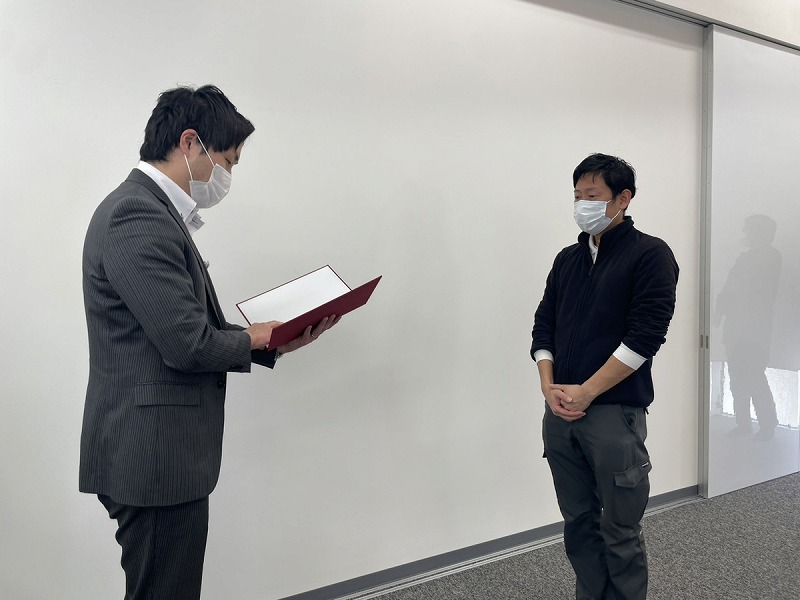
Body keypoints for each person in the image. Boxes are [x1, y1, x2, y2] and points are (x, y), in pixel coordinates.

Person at [79, 84, 339, 600]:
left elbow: (179, 328)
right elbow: (187, 344)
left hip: (156, 454)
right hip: (153, 459)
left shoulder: (151, 211)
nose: (228, 176)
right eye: (228, 160)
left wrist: (269, 343)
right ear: (190, 143)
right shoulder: (137, 216)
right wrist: (256, 336)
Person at [530, 153, 678, 599]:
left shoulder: (650, 255)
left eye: (592, 196)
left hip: (613, 413)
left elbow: (645, 337)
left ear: (623, 199)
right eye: (577, 196)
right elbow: (543, 325)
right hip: (560, 413)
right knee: (578, 522)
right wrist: (548, 386)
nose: (582, 205)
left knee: (619, 528)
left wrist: (588, 392)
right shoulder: (568, 259)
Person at [715, 214, 781, 440]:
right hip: (737, 328)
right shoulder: (746, 258)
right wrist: (721, 311)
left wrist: (726, 305)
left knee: (754, 376)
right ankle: (743, 423)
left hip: (754, 330)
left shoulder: (770, 257)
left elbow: (752, 291)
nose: (745, 234)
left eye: (749, 229)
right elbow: (729, 288)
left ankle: (768, 425)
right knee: (737, 377)